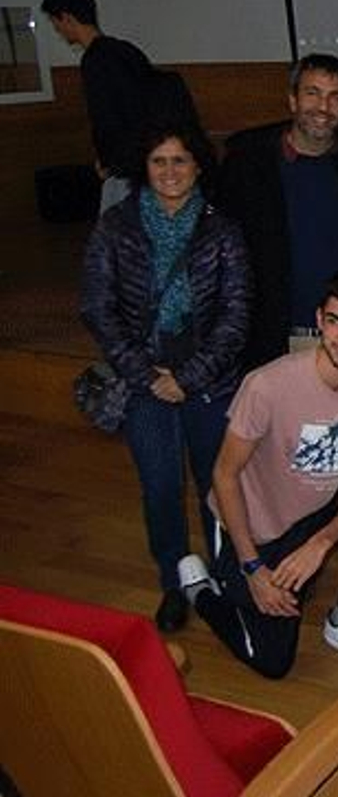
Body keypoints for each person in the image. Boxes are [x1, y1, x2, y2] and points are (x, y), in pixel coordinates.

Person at [176, 268, 338, 680]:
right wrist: (253, 569)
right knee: (272, 661)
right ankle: (204, 593)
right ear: (319, 320)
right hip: (254, 522)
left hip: (314, 507)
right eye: (335, 322)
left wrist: (320, 545)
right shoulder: (267, 385)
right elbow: (224, 476)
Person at [80, 123, 250, 632]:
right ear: (145, 168)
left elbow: (236, 315)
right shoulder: (115, 225)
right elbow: (97, 307)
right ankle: (174, 580)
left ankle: (222, 577)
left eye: (180, 161)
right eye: (160, 161)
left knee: (216, 484)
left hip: (209, 381)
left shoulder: (223, 229)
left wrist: (190, 377)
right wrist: (144, 373)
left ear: (198, 167)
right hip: (143, 381)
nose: (170, 172)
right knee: (159, 486)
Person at [211, 55, 338, 371]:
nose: (322, 107)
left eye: (334, 97)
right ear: (292, 100)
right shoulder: (248, 165)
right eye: (312, 93)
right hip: (274, 334)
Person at [41, 0, 171, 210]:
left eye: (55, 23)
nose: (58, 31)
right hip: (151, 156)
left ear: (66, 18)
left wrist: (108, 160)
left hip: (126, 164)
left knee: (116, 234)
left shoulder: (94, 61)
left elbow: (105, 116)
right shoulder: (127, 51)